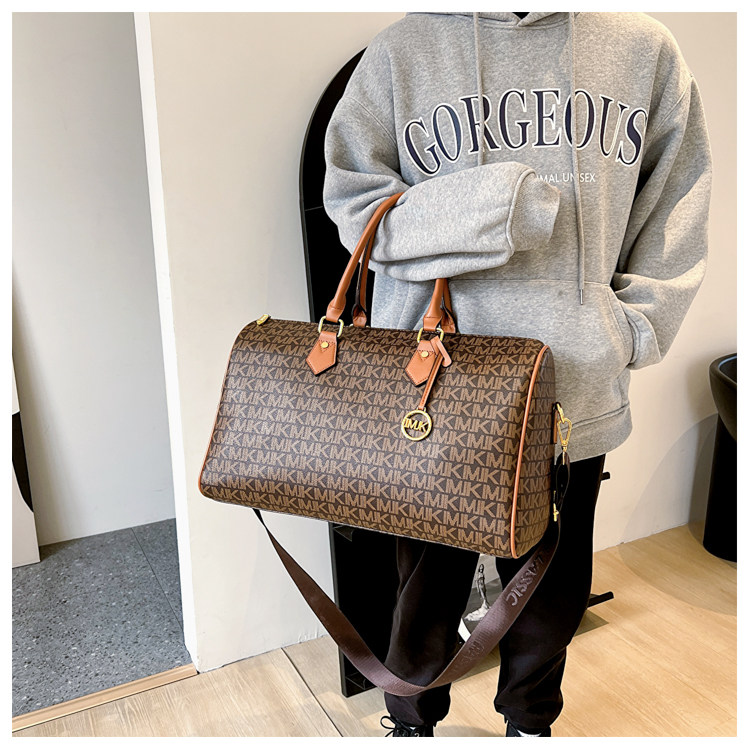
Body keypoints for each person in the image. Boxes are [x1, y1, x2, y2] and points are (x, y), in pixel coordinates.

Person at [322, 11, 712, 737]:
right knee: (424, 583)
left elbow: (676, 201)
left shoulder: (641, 49)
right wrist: (500, 206)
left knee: (550, 583)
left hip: (571, 376)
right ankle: (411, 722)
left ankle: (530, 725)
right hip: (433, 379)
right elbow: (353, 201)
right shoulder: (404, 50)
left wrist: (632, 325)